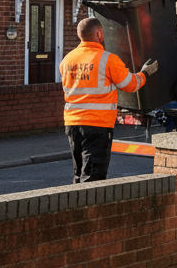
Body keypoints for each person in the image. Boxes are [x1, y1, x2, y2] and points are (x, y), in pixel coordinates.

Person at [59, 17, 158, 183]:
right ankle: (89, 208)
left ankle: (77, 206)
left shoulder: (67, 60)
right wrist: (145, 73)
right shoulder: (107, 59)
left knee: (79, 174)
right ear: (99, 34)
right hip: (97, 125)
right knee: (93, 178)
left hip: (72, 124)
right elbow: (130, 84)